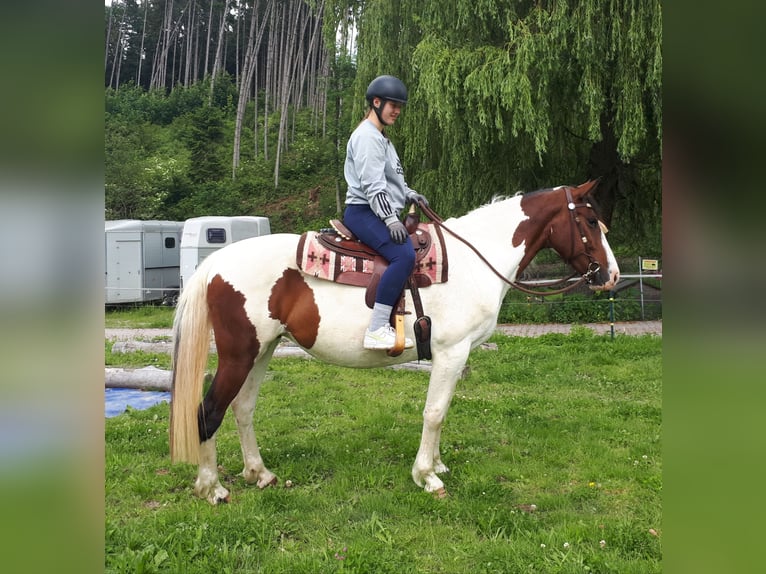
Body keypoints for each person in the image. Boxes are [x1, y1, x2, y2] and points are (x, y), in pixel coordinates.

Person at [343, 75, 429, 350]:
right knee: (403, 256)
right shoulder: (367, 137)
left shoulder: (382, 138)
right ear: (376, 103)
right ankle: (377, 328)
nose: (397, 111)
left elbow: (393, 181)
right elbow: (372, 186)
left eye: (400, 106)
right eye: (393, 105)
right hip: (364, 211)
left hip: (377, 209)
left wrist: (409, 194)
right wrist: (390, 218)